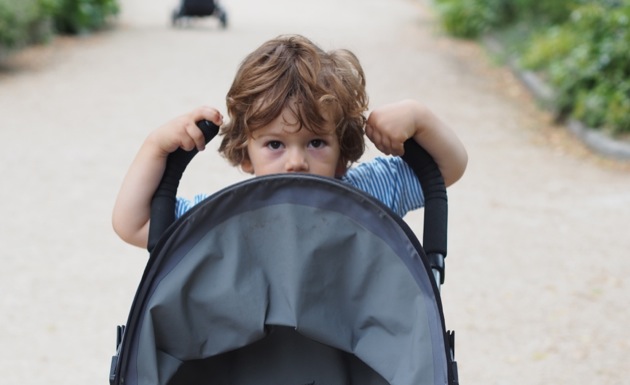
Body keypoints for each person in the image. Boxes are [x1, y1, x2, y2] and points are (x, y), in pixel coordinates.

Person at [112, 34, 468, 248]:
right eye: (275, 145)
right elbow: (135, 224)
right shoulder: (223, 215)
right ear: (245, 155)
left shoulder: (369, 194)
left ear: (342, 152)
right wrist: (155, 147)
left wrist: (419, 117)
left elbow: (447, 168)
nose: (296, 162)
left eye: (315, 143)